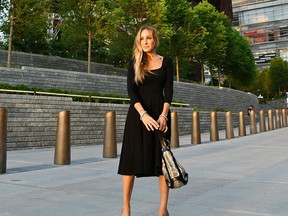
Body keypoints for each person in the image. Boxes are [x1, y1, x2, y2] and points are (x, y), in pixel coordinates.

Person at [118, 26, 174, 216]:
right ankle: (126, 207)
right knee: (130, 161)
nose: (145, 42)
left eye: (148, 38)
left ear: (155, 40)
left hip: (160, 116)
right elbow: (131, 91)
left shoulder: (166, 62)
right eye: (142, 39)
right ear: (138, 42)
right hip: (138, 116)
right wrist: (143, 114)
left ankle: (162, 209)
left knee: (162, 163)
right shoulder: (134, 62)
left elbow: (169, 91)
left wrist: (164, 115)